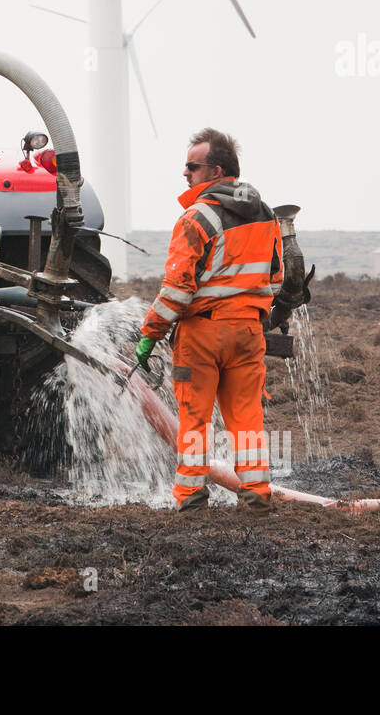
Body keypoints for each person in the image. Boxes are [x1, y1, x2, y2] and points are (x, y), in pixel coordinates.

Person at [134, 128, 283, 513]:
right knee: (247, 417)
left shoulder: (196, 218)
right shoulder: (266, 215)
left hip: (202, 333)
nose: (185, 173)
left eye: (192, 166)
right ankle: (256, 495)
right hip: (249, 330)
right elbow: (277, 278)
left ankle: (191, 496)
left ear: (215, 171)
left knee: (195, 418)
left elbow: (177, 289)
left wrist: (150, 334)